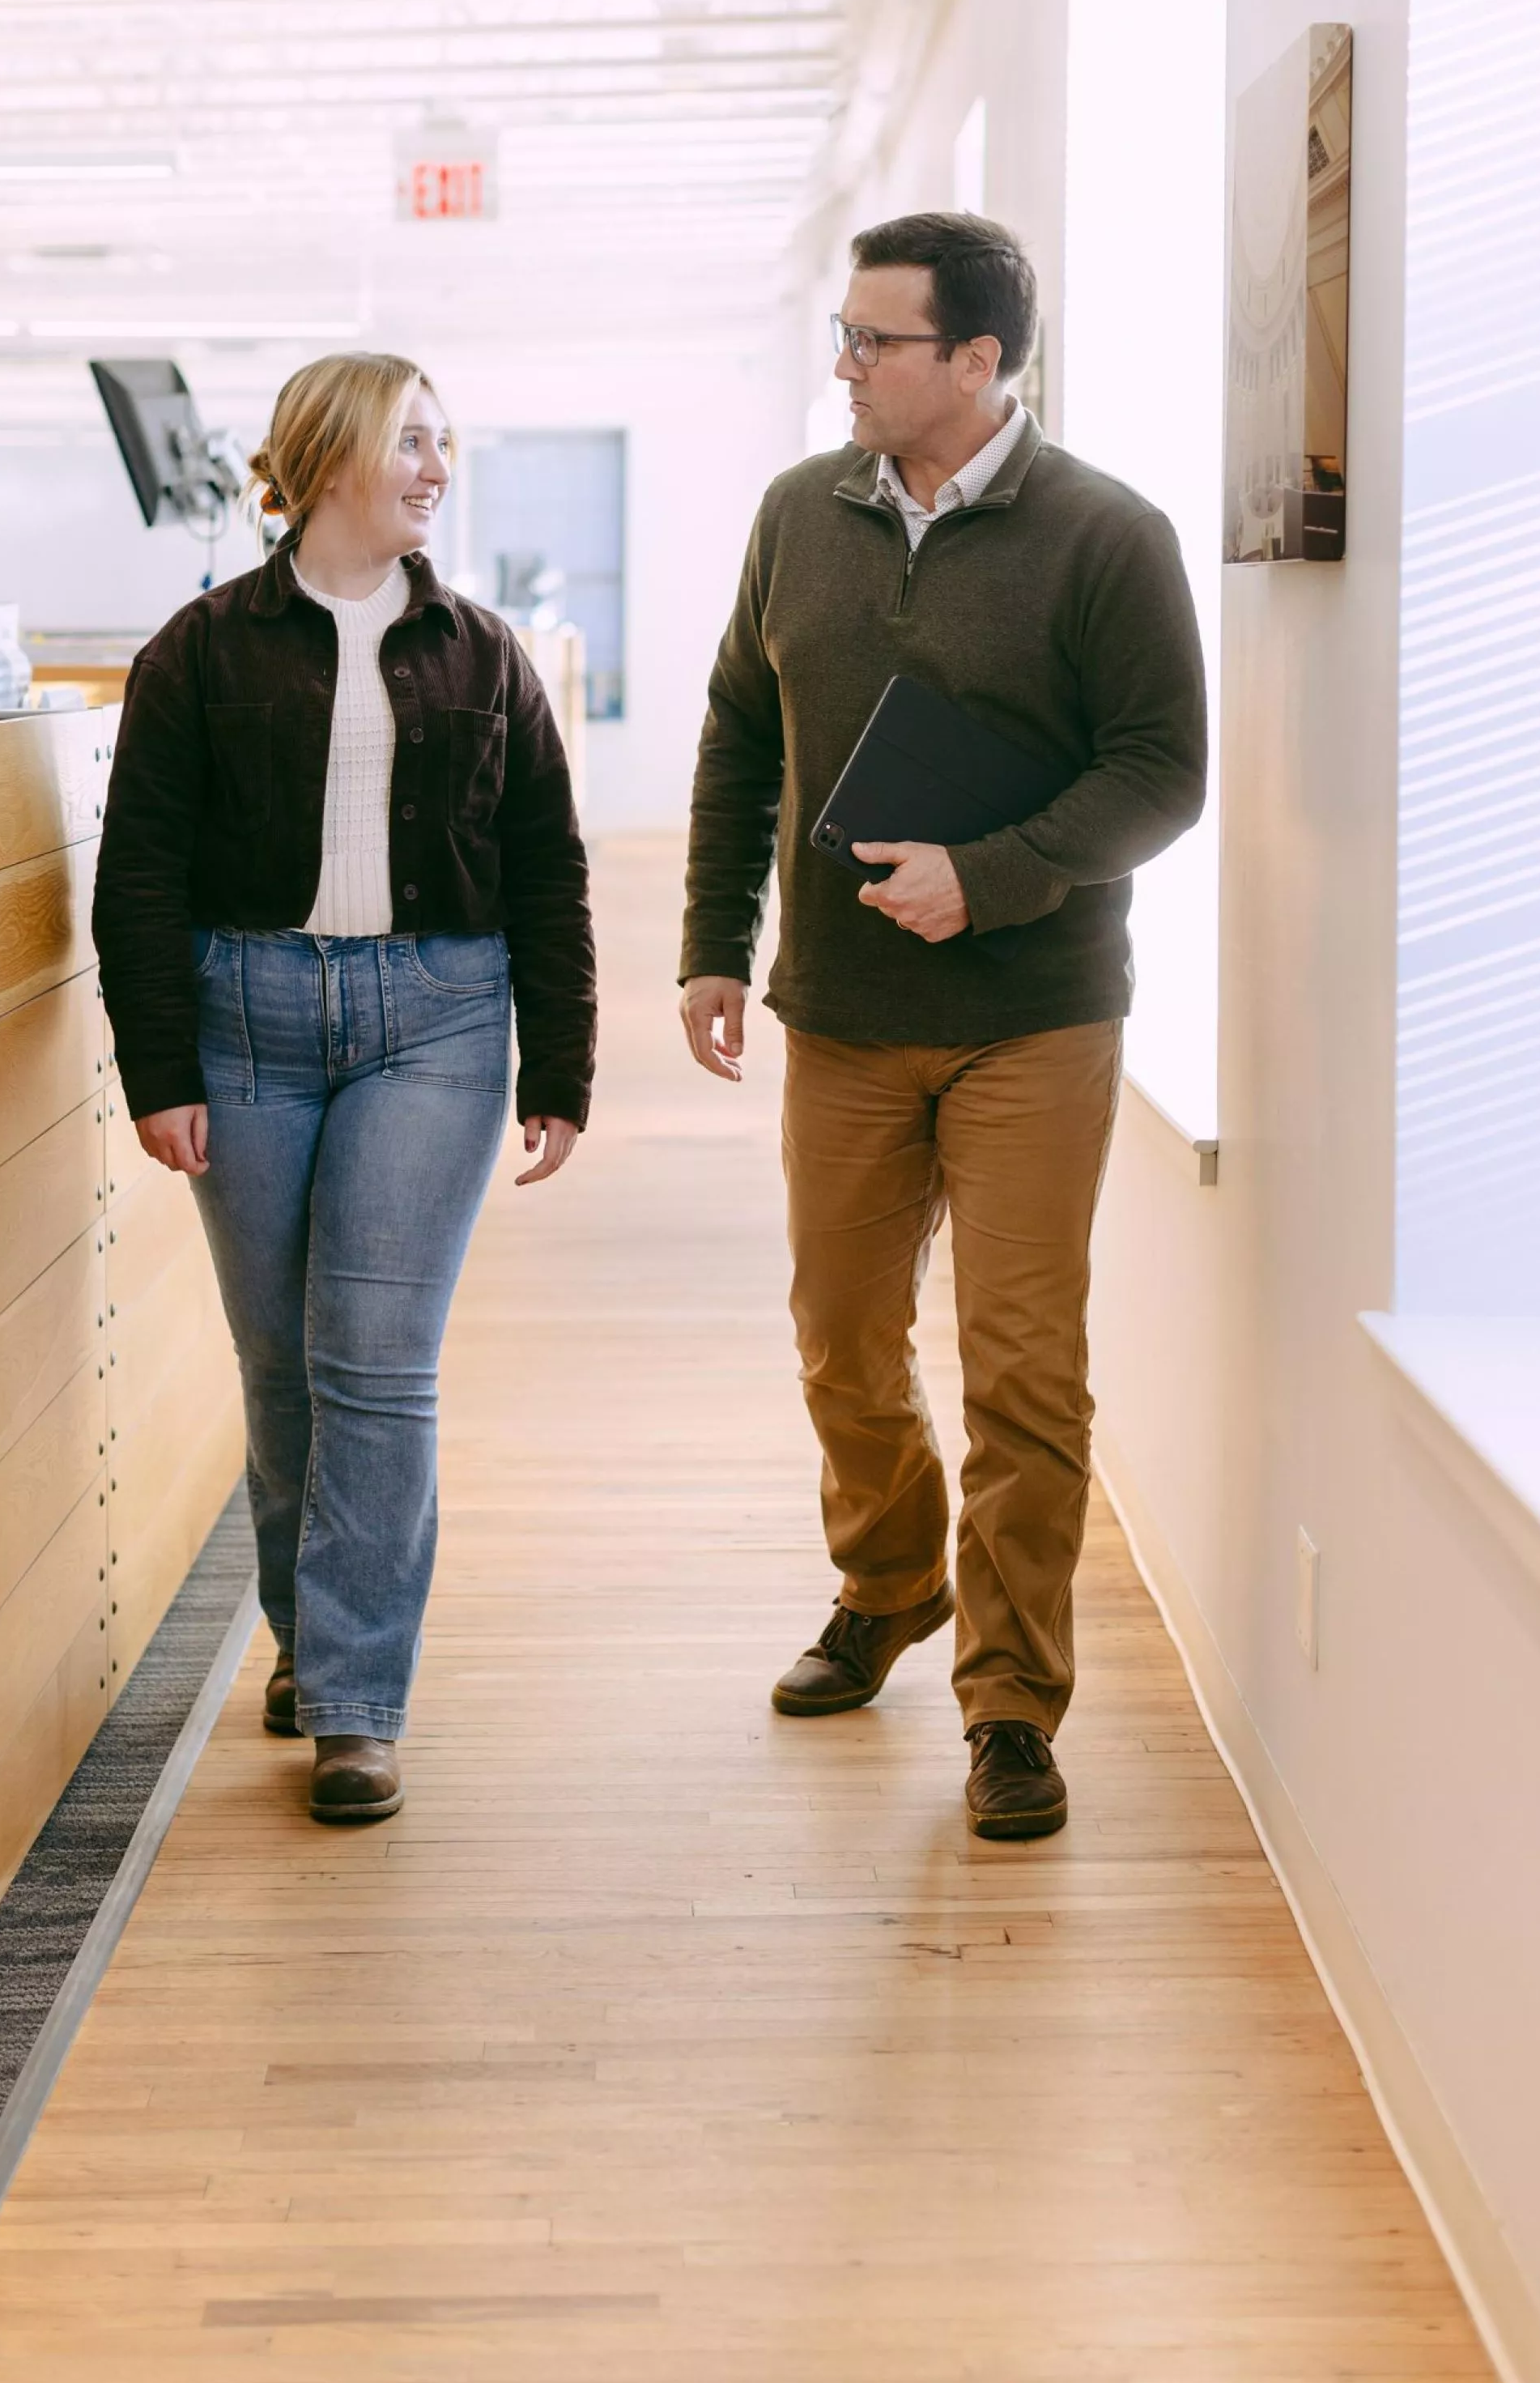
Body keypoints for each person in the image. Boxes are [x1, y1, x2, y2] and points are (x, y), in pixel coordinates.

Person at [679, 213, 1205, 1841]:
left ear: (975, 362)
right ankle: (889, 1580)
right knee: (843, 1340)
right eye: (843, 335)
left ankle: (1008, 1703)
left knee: (1022, 1370)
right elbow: (737, 724)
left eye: (873, 341)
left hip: (1030, 1020)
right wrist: (712, 940)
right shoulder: (796, 514)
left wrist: (989, 878)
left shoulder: (1106, 534)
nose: (841, 363)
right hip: (841, 1013)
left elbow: (1158, 771)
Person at [94, 351, 594, 1826]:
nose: (437, 468)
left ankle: (360, 1703)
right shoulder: (197, 653)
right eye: (410, 443)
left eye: (447, 441)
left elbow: (549, 872)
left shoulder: (484, 651)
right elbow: (140, 880)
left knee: (372, 1357)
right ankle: (314, 1640)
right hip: (246, 1022)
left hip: (432, 1022)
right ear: (321, 465)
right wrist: (162, 1069)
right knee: (278, 1361)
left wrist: (558, 1064)